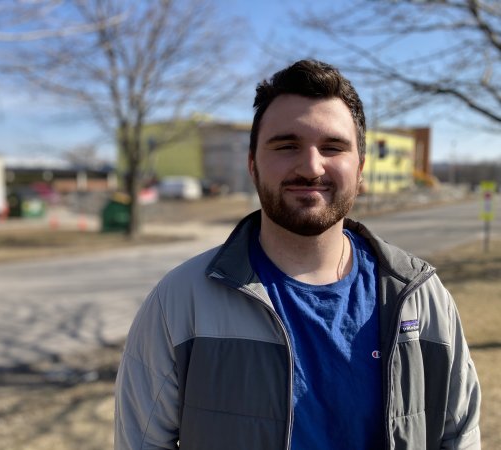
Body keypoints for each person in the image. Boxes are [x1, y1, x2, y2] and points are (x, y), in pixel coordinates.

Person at [114, 59, 481, 449]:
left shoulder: (421, 299)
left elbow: (459, 436)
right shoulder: (180, 302)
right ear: (253, 165)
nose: (310, 166)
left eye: (333, 147)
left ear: (360, 169)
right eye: (287, 146)